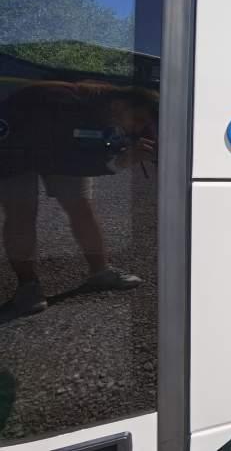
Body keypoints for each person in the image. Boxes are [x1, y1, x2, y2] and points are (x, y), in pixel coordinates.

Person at [0, 80, 158, 324]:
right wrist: (118, 162)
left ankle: (100, 272)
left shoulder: (112, 109)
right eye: (136, 120)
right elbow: (62, 157)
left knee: (81, 207)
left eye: (142, 123)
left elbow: (92, 147)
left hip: (59, 148)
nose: (136, 127)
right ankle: (27, 287)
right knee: (21, 212)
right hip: (13, 149)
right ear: (119, 105)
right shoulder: (63, 102)